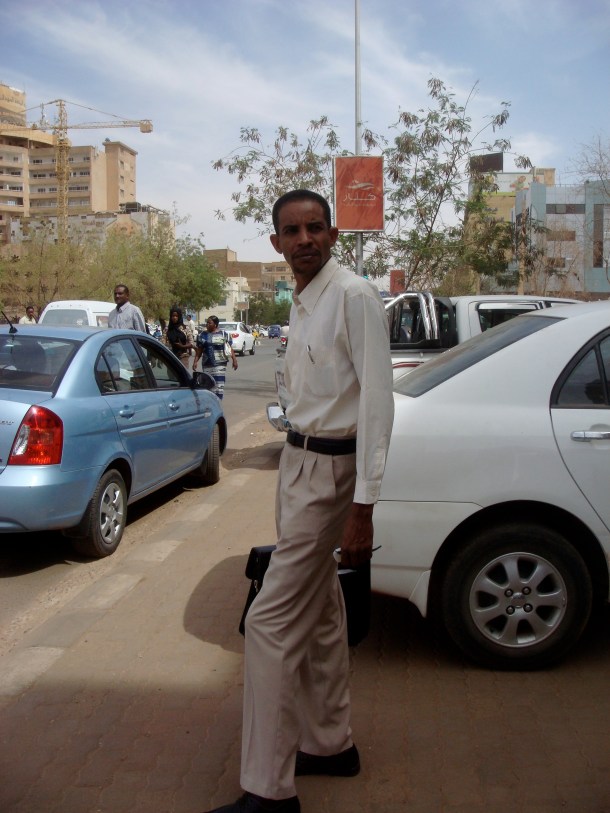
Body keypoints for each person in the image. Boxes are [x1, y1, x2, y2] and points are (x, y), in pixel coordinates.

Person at [202, 190, 394, 813]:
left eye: (316, 227)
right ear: (277, 242)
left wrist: (363, 507)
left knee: (268, 622)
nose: (305, 238)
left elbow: (375, 405)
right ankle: (330, 744)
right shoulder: (304, 301)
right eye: (293, 230)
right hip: (299, 464)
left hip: (331, 475)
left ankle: (268, 790)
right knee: (325, 612)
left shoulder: (354, 296)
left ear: (333, 233)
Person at [193, 315, 238, 400]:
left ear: (215, 324)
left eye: (209, 323)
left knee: (219, 386)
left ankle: (218, 403)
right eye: (207, 323)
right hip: (207, 364)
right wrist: (195, 362)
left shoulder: (224, 334)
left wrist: (234, 360)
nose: (207, 324)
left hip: (220, 364)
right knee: (208, 385)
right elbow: (199, 350)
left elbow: (230, 348)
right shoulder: (202, 335)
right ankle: (210, 404)